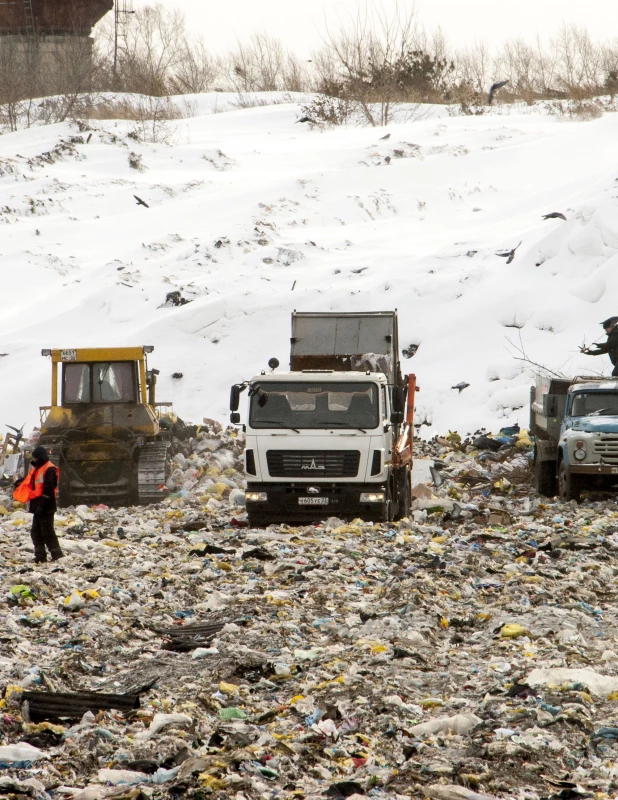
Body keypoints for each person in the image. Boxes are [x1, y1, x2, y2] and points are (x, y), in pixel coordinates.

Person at [13, 446, 63, 563]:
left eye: (36, 458)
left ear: (41, 457)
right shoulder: (38, 469)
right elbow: (32, 483)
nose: (34, 460)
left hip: (46, 506)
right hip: (38, 505)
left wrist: (41, 505)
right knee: (36, 532)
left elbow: (48, 489)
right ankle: (40, 556)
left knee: (47, 532)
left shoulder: (49, 469)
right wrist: (19, 483)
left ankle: (57, 554)